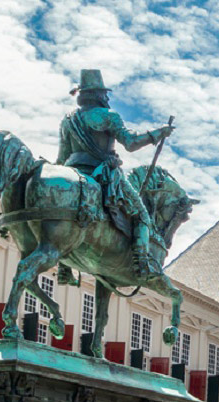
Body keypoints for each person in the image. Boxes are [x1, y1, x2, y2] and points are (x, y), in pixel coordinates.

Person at [56, 69, 173, 280]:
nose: (107, 98)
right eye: (104, 93)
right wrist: (159, 132)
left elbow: (62, 157)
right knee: (142, 215)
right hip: (102, 175)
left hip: (71, 171)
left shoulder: (68, 120)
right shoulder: (108, 116)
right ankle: (141, 263)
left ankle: (64, 266)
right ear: (99, 94)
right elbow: (131, 143)